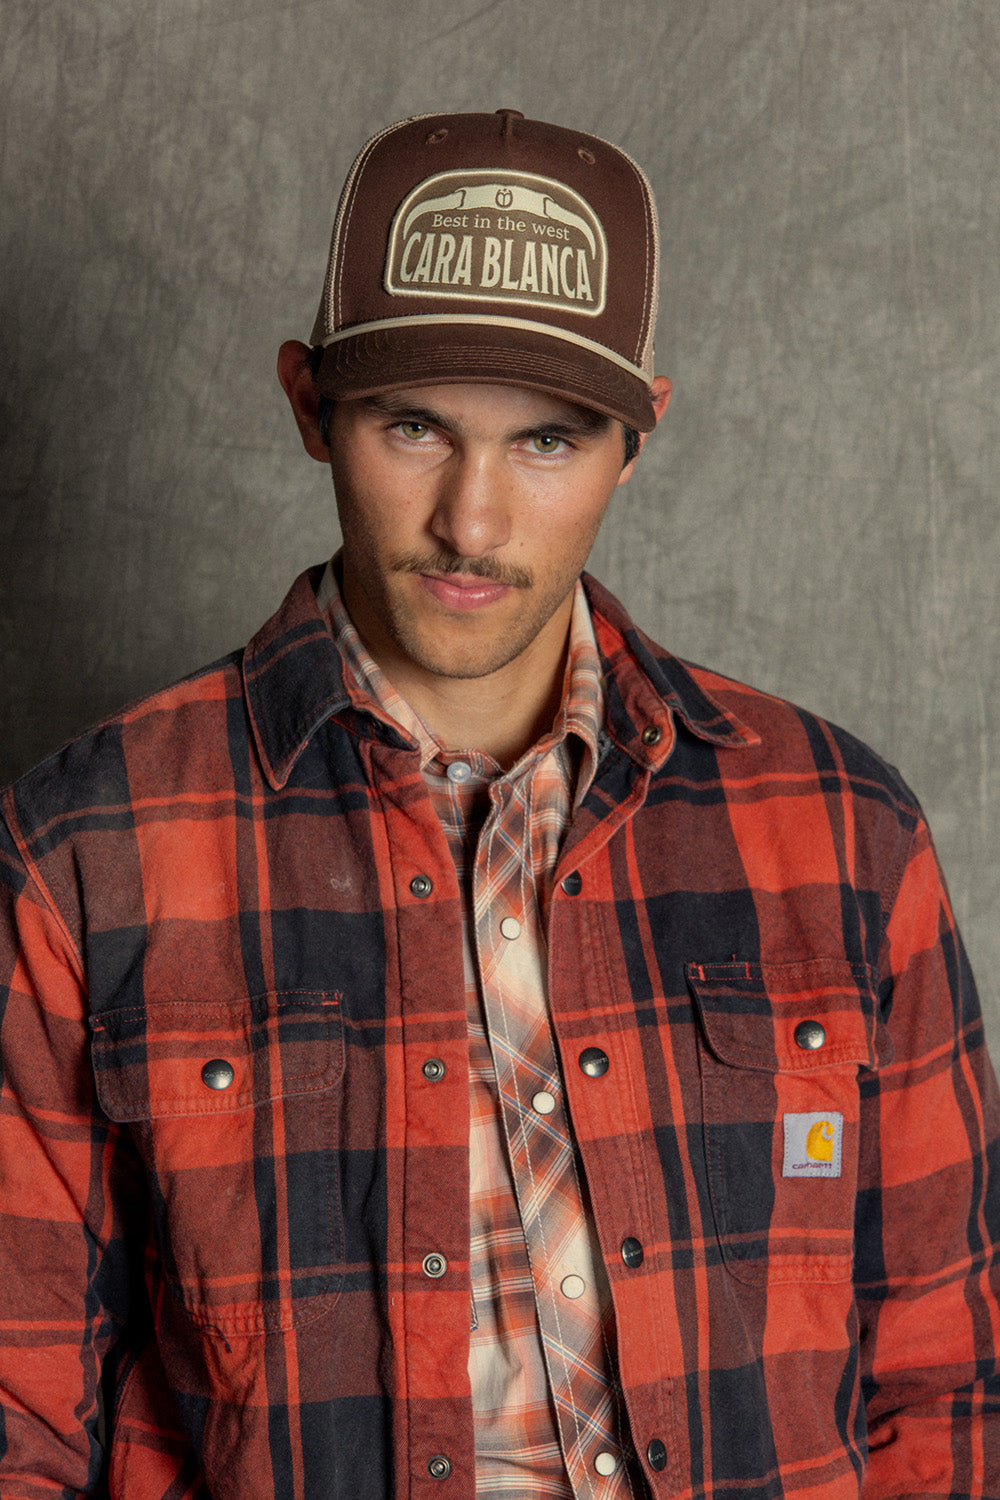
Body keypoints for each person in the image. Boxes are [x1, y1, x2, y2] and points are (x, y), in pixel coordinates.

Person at [0, 108, 997, 1500]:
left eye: (548, 440)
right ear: (307, 404)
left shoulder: (840, 828)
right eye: (413, 427)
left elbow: (946, 1380)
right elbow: (19, 1416)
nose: (471, 523)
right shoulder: (86, 850)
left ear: (637, 437)